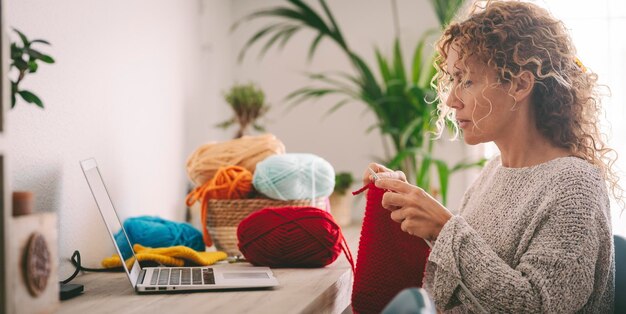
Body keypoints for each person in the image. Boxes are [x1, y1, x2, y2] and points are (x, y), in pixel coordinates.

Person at [363, 1, 619, 312]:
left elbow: (536, 306)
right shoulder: (494, 171)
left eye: (466, 80)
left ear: (520, 84)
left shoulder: (575, 188)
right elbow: (463, 282)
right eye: (452, 80)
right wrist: (407, 207)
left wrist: (444, 228)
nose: (451, 99)